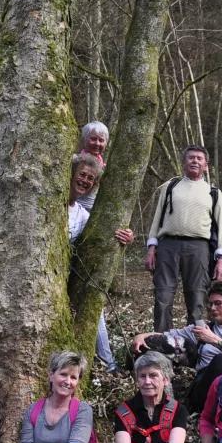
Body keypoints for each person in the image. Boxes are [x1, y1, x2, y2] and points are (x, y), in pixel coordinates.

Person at [145, 145, 222, 331]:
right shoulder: (169, 187)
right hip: (167, 246)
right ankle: (162, 343)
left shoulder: (213, 193)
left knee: (197, 298)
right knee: (163, 296)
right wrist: (151, 248)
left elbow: (221, 227)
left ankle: (195, 346)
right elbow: (157, 219)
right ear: (184, 162)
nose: (195, 161)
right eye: (191, 158)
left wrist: (221, 259)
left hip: (199, 248)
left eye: (199, 158)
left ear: (206, 165)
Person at [131, 280, 222, 411]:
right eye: (210, 303)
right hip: (205, 389)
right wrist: (142, 336)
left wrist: (214, 340)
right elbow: (165, 336)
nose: (212, 308)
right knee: (213, 359)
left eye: (218, 304)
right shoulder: (202, 329)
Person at [68, 154, 134, 373]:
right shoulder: (53, 207)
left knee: (94, 307)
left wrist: (126, 236)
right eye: (82, 175)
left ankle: (108, 364)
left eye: (91, 179)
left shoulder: (82, 214)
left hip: (71, 276)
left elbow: (104, 234)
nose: (85, 181)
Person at [74, 121, 109, 210]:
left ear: (106, 144)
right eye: (93, 139)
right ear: (84, 139)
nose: (97, 143)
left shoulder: (105, 168)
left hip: (93, 214)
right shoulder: (74, 160)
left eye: (101, 140)